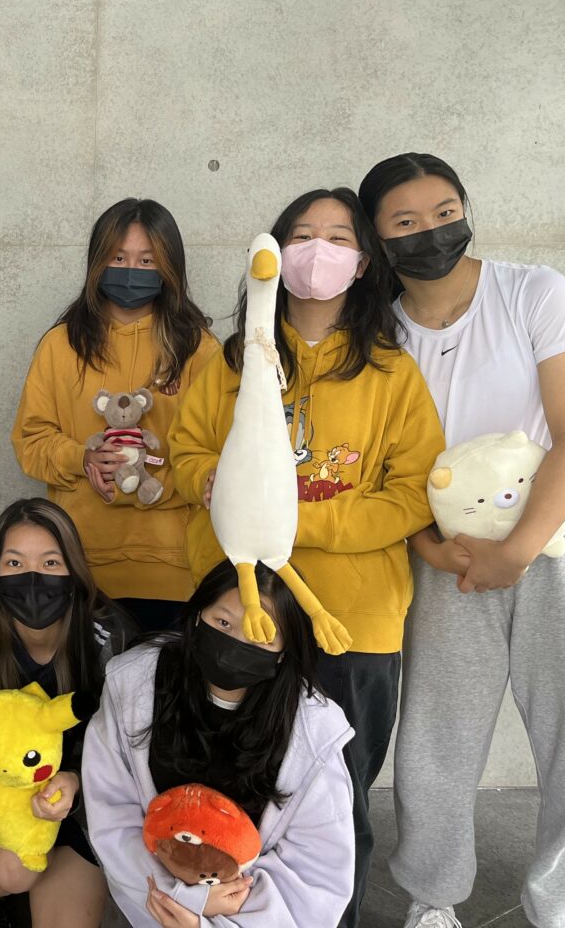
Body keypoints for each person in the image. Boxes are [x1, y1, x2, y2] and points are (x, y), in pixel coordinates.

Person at [166, 187, 445, 928]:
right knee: (227, 799)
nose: (318, 251)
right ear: (275, 253)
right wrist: (209, 479)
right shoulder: (232, 362)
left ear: (363, 263)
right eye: (301, 235)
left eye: (338, 238)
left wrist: (294, 520)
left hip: (350, 623)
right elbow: (186, 452)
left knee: (335, 806)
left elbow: (411, 496)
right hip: (241, 617)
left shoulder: (393, 373)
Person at [359, 153, 565, 928]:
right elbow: (378, 462)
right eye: (406, 221)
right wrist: (432, 548)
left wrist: (520, 548)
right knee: (437, 740)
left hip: (557, 537)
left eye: (445, 213)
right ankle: (432, 897)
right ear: (377, 238)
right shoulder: (376, 334)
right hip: (445, 553)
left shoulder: (536, 291)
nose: (431, 232)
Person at [81, 561, 356, 928]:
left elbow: (315, 871)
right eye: (223, 623)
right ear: (197, 615)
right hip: (149, 904)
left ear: (286, 648)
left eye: (261, 634)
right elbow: (113, 817)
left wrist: (211, 923)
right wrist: (183, 899)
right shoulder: (134, 684)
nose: (236, 643)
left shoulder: (313, 732)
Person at [0, 498, 135, 928]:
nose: (32, 578)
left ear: (74, 569)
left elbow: (132, 748)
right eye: (15, 563)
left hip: (81, 808)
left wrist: (76, 782)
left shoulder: (115, 639)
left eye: (51, 562)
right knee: (9, 873)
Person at [11, 198, 217, 634]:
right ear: (96, 262)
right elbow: (31, 441)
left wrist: (154, 483)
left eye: (147, 260)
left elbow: (215, 455)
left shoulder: (199, 349)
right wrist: (82, 458)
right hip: (81, 565)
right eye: (118, 258)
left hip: (176, 569)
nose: (131, 270)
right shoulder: (61, 345)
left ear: (169, 267)